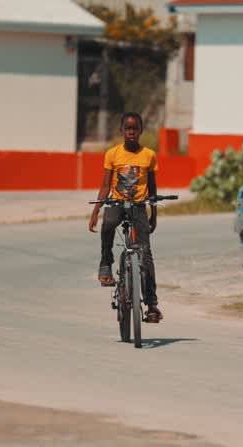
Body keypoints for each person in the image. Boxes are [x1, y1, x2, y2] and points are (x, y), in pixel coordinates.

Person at [88, 112, 162, 322]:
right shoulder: (112, 154)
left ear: (141, 130)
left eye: (135, 128)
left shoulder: (149, 155)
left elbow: (153, 187)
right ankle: (106, 261)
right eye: (128, 128)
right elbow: (105, 185)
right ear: (121, 131)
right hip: (117, 203)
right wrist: (96, 210)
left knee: (146, 254)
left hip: (138, 207)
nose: (131, 132)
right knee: (109, 223)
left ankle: (152, 304)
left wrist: (154, 213)